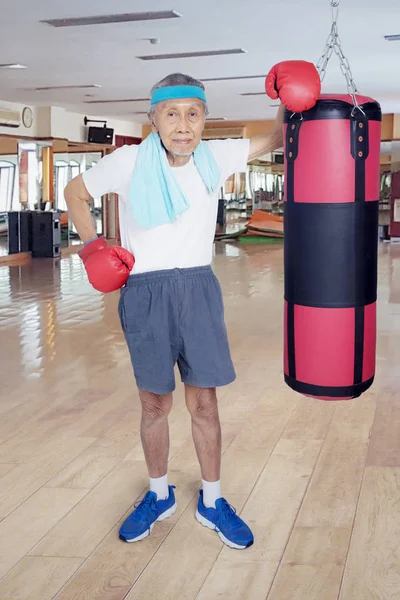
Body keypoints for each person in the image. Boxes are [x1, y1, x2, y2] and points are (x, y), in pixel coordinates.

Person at [65, 61, 320, 549]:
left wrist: (288, 101)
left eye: (193, 115)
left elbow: (277, 140)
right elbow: (75, 192)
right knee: (153, 403)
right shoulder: (130, 162)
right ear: (154, 119)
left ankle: (212, 499)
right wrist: (94, 245)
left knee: (204, 401)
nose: (183, 126)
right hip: (144, 292)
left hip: (199, 290)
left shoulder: (217, 156)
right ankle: (158, 494)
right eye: (172, 115)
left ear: (204, 118)